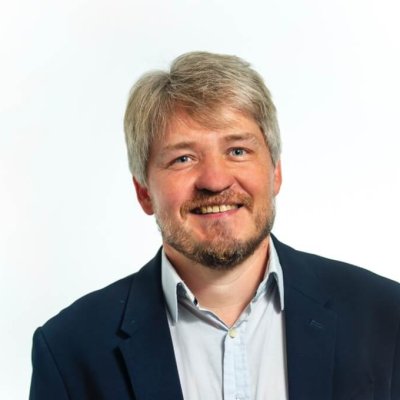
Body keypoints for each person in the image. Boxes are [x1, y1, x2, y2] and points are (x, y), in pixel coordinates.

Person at [30, 51, 400, 400]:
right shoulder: (69, 351)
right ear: (143, 192)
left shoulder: (386, 316)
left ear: (275, 172)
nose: (215, 180)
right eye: (183, 158)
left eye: (237, 151)